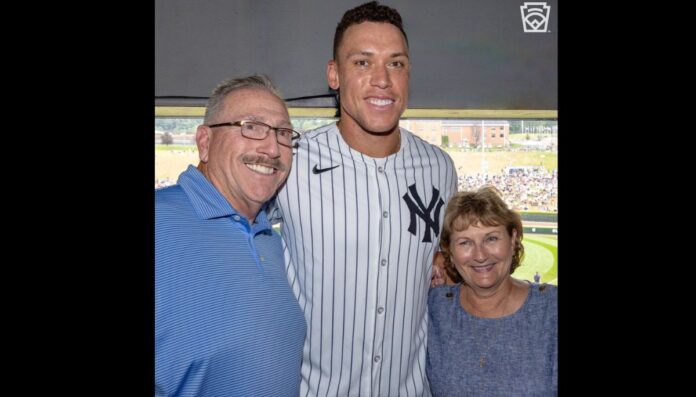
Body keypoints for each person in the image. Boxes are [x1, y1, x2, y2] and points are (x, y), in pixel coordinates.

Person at [273, 2, 458, 395]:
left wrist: (442, 260)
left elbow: (440, 259)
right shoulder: (291, 159)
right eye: (362, 63)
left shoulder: (440, 168)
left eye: (396, 64)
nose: (382, 80)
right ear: (333, 75)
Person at [155, 75, 306, 396]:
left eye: (283, 133)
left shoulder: (270, 240)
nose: (272, 148)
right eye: (251, 126)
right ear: (205, 142)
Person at [426, 186, 557, 396]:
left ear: (513, 240)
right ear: (449, 252)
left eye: (491, 238)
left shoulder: (551, 309)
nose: (480, 255)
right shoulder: (434, 308)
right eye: (465, 242)